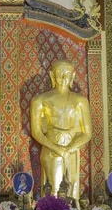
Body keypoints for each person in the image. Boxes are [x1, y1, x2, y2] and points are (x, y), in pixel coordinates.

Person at [30, 59, 92, 199]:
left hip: (72, 149)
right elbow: (37, 132)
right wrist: (57, 149)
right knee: (53, 188)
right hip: (51, 148)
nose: (64, 78)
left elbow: (87, 133)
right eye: (60, 74)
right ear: (52, 76)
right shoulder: (40, 100)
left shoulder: (80, 101)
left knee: (72, 189)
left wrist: (69, 149)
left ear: (73, 76)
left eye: (68, 74)